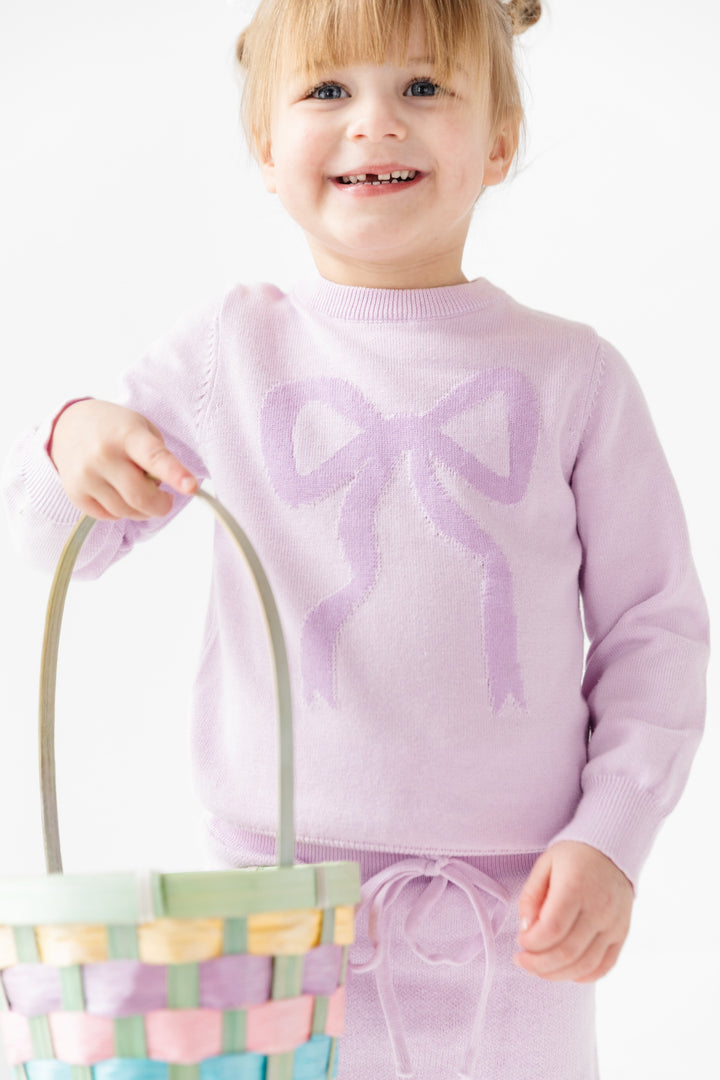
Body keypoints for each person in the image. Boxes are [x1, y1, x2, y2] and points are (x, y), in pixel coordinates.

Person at [2, 1, 709, 1077]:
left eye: (424, 88)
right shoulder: (232, 349)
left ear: (501, 139)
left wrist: (611, 835)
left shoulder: (575, 376)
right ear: (264, 148)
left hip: (522, 919)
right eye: (328, 91)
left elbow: (655, 633)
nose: (375, 122)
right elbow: (62, 547)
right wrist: (73, 444)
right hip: (266, 930)